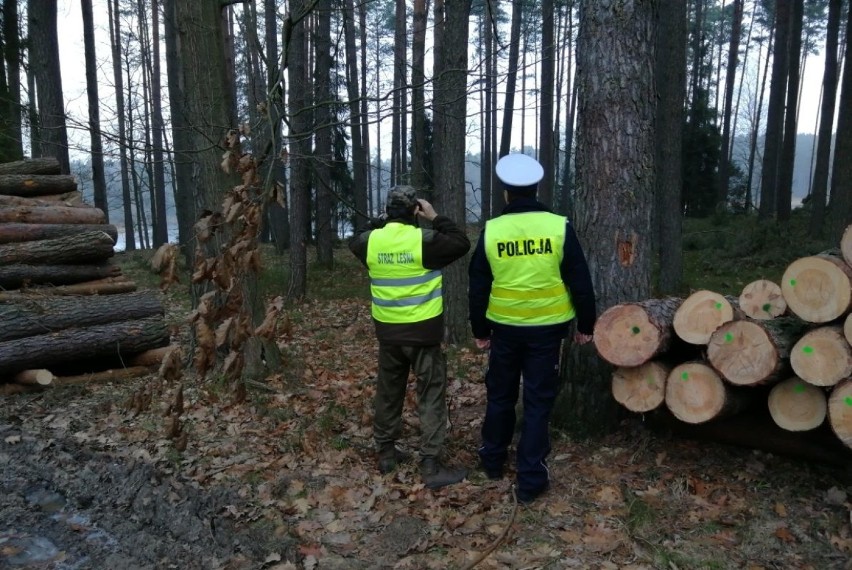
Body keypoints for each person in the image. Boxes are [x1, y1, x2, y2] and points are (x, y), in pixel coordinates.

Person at [468, 153, 596, 504]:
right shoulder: (558, 226)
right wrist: (587, 324)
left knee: (501, 396)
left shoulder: (492, 230)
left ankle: (492, 461)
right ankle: (530, 480)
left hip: (504, 330)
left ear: (507, 193)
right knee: (538, 403)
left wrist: (479, 328)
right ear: (536, 188)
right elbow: (580, 280)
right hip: (547, 331)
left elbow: (477, 285)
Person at [349, 185, 471, 489]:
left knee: (389, 393)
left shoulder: (370, 242)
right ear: (415, 210)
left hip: (388, 333)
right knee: (430, 394)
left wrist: (379, 221)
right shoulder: (424, 240)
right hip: (423, 335)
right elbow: (461, 242)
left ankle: (386, 454)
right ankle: (430, 465)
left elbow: (355, 239)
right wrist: (435, 216)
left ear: (388, 211)